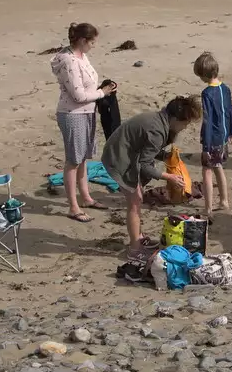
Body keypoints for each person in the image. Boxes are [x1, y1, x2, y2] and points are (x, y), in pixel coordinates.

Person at [101, 96, 203, 258]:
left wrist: (166, 156)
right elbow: (145, 165)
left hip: (127, 152)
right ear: (175, 119)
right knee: (134, 203)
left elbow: (148, 151)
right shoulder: (157, 131)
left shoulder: (160, 120)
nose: (186, 127)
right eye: (186, 123)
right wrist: (169, 177)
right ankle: (134, 249)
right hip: (119, 157)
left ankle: (139, 238)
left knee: (138, 199)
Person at [51, 23, 114, 223]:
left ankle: (85, 198)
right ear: (82, 40)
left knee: (83, 158)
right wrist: (102, 93)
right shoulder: (69, 61)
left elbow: (87, 86)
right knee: (73, 160)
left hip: (87, 112)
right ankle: (73, 206)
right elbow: (77, 95)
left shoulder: (81, 56)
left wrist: (103, 89)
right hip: (72, 114)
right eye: (92, 42)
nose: (93, 46)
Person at [194, 52, 232, 218]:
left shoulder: (207, 93)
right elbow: (230, 111)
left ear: (204, 75)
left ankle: (208, 208)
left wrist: (206, 146)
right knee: (218, 167)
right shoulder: (225, 88)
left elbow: (208, 120)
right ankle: (224, 200)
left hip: (213, 138)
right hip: (224, 136)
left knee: (207, 170)